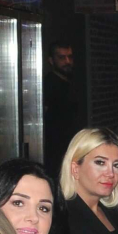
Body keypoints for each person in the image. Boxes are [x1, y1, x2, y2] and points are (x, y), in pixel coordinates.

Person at [43, 39, 82, 169]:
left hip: (69, 148)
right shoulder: (49, 85)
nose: (67, 62)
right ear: (51, 60)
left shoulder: (70, 83)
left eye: (70, 57)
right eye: (62, 58)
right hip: (54, 151)